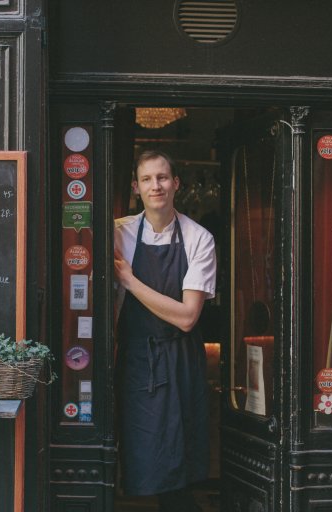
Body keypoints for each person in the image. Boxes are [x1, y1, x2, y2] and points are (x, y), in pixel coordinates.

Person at [114, 150, 216, 512]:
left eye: (162, 178)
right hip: (137, 357)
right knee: (142, 453)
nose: (155, 185)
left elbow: (188, 317)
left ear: (176, 184)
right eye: (146, 179)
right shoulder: (119, 233)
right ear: (136, 187)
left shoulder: (198, 238)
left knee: (179, 456)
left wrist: (130, 280)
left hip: (181, 356)